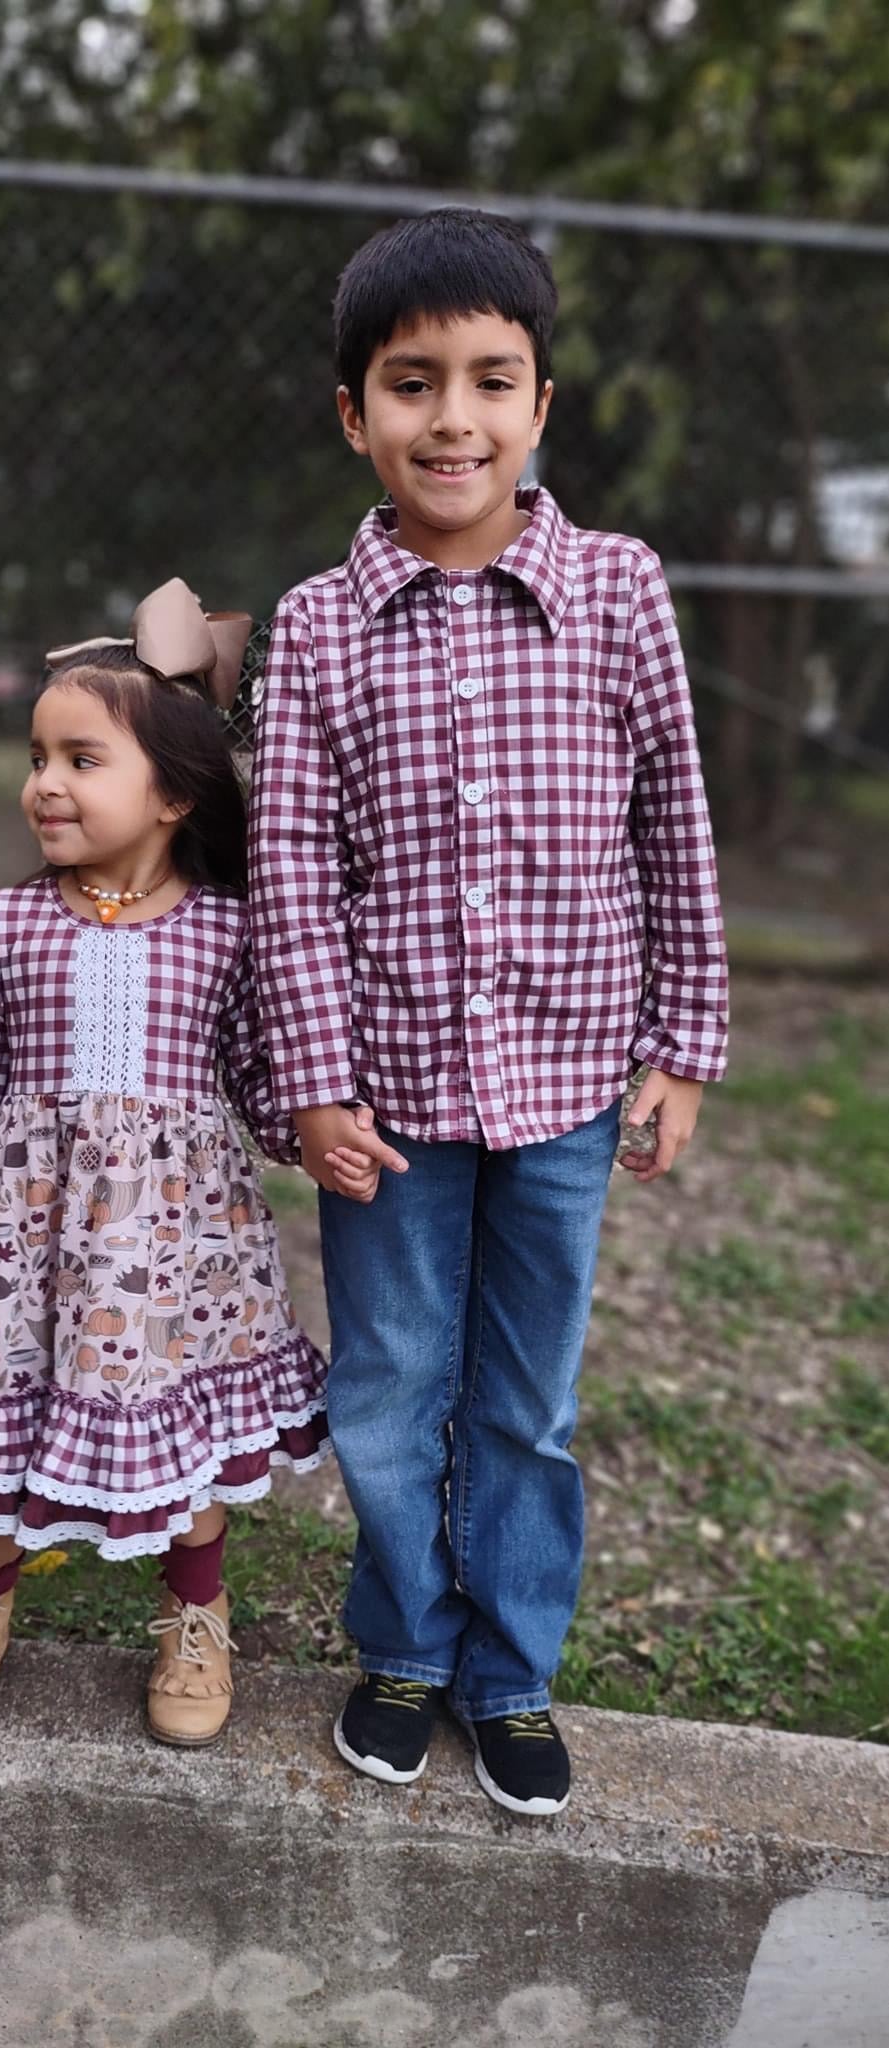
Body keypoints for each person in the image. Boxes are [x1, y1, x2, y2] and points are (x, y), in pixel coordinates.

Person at [249, 208, 728, 1815]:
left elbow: (675, 823)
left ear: (538, 404)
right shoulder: (317, 628)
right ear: (353, 413)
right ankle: (402, 1643)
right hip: (381, 1099)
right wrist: (310, 1083)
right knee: (387, 1384)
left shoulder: (617, 589)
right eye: (409, 382)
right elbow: (295, 869)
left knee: (527, 1396)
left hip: (574, 1083)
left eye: (486, 380)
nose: (448, 417)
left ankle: (510, 1672)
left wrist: (680, 1048)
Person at [0, 580, 338, 1744]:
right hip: (30, 1242)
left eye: (82, 758)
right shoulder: (9, 923)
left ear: (174, 791)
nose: (45, 782)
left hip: (178, 1247)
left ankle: (196, 1613)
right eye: (38, 755)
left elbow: (256, 1068)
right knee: (6, 1418)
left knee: (176, 1429)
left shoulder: (227, 928)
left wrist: (312, 1127)